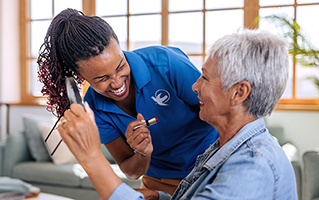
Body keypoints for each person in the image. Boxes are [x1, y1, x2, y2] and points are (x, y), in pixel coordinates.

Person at [58, 29, 298, 200]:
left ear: (239, 93)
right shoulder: (224, 149)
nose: (193, 87)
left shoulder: (251, 165)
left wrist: (91, 158)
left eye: (204, 77)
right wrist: (159, 197)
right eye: (101, 79)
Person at [37, 8, 218, 195]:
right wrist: (143, 152)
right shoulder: (93, 109)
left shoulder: (167, 64)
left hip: (212, 168)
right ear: (80, 77)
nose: (117, 83)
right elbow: (130, 171)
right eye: (101, 79)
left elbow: (222, 113)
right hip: (161, 181)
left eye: (120, 65)